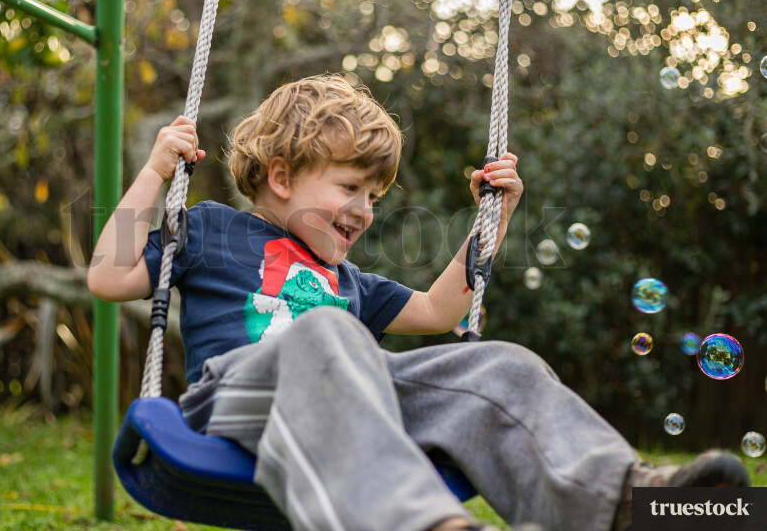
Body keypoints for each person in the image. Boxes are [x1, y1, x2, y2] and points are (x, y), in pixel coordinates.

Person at [88, 75, 749, 531]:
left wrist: (495, 217)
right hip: (235, 404)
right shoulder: (211, 229)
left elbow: (441, 312)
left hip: (355, 403)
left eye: (374, 196)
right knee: (329, 336)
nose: (364, 211)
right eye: (351, 187)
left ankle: (624, 502)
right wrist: (154, 174)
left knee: (501, 366)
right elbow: (108, 277)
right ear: (282, 178)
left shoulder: (349, 284)